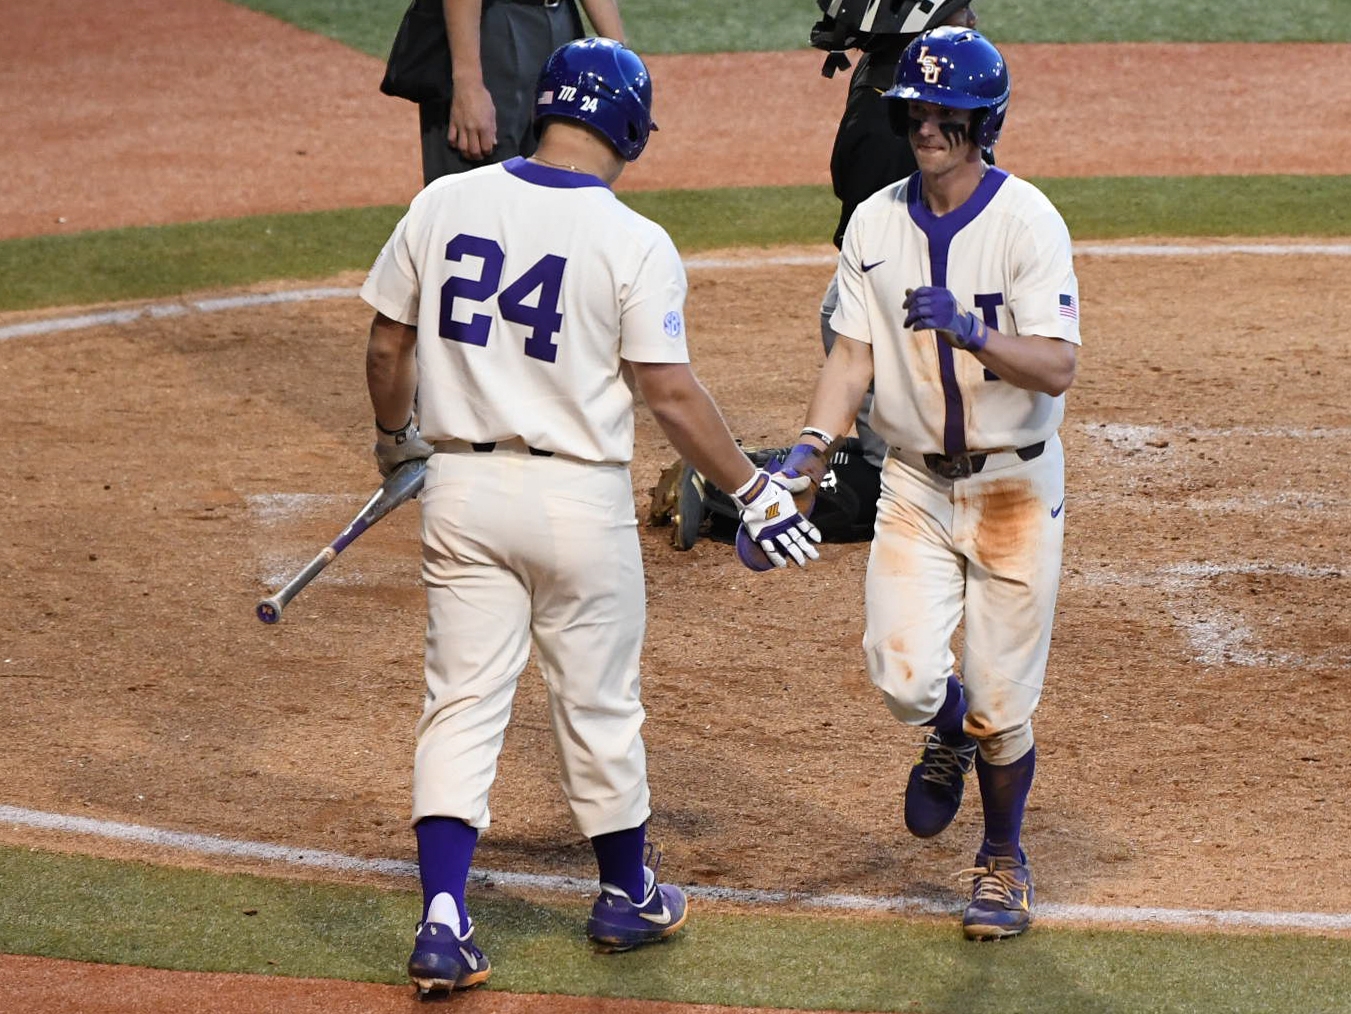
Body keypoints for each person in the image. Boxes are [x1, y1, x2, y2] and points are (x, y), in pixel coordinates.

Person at [360, 38, 820, 996]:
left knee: (462, 700)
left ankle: (444, 920)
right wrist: (750, 486)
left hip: (463, 491)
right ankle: (624, 896)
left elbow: (385, 341)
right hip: (576, 501)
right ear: (630, 132)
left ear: (543, 109)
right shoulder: (634, 240)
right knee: (598, 700)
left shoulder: (444, 201)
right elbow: (670, 393)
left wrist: (397, 437)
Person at [778, 26, 1081, 940]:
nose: (927, 125)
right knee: (902, 674)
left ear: (984, 122)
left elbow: (1058, 365)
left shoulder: (1027, 221)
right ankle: (946, 729)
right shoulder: (873, 223)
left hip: (1012, 486)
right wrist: (806, 454)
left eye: (948, 112)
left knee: (1002, 697)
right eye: (916, 108)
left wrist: (973, 334)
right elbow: (850, 358)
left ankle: (1001, 860)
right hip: (910, 484)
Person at [380, 0, 625, 185]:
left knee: (552, 189)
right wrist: (468, 84)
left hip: (560, 24)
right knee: (476, 200)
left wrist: (621, 61)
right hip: (489, 30)